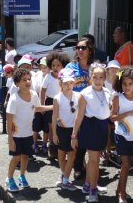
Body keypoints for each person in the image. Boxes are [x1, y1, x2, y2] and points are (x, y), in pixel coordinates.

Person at [5, 67, 52, 192]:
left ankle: (22, 175)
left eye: (28, 79)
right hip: (16, 135)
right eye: (23, 80)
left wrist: (52, 106)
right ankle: (9, 178)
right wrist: (10, 140)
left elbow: (36, 108)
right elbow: (9, 120)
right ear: (17, 83)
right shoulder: (14, 99)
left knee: (26, 156)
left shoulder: (34, 95)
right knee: (16, 158)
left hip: (28, 133)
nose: (27, 82)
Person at [71, 63, 110, 202]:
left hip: (102, 127)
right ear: (90, 77)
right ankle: (93, 190)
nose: (98, 80)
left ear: (105, 78)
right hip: (90, 127)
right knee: (94, 160)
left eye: (101, 77)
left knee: (95, 159)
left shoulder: (107, 92)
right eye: (95, 77)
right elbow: (79, 116)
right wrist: (74, 135)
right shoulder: (85, 93)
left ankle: (88, 184)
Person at [110, 66, 133, 203]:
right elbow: (112, 117)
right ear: (119, 83)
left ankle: (119, 189)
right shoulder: (118, 97)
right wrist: (129, 113)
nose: (127, 87)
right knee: (126, 164)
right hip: (122, 136)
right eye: (124, 83)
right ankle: (121, 194)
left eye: (130, 84)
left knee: (128, 165)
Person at [65, 37, 94, 180]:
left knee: (85, 138)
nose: (80, 50)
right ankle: (77, 166)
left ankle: (82, 164)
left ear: (90, 50)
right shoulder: (71, 67)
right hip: (74, 108)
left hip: (90, 109)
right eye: (78, 48)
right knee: (75, 137)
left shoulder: (94, 68)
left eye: (83, 48)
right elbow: (63, 85)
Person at [52, 68, 79, 191]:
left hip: (73, 130)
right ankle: (63, 174)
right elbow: (54, 116)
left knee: (72, 154)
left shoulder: (78, 96)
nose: (68, 86)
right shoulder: (57, 98)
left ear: (74, 83)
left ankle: (66, 179)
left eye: (70, 83)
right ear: (61, 84)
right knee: (61, 155)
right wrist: (54, 134)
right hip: (61, 130)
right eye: (65, 83)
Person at [40, 53, 70, 158]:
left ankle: (62, 148)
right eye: (53, 65)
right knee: (51, 127)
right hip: (50, 103)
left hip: (62, 103)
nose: (55, 67)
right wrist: (42, 104)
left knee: (61, 125)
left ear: (63, 66)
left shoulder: (65, 77)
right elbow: (42, 90)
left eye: (58, 65)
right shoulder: (48, 76)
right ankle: (52, 149)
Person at [32, 57, 49, 154]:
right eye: (42, 67)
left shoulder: (51, 76)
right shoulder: (38, 75)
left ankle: (44, 144)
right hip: (38, 105)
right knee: (36, 126)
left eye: (45, 67)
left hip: (48, 105)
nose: (43, 69)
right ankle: (34, 143)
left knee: (46, 127)